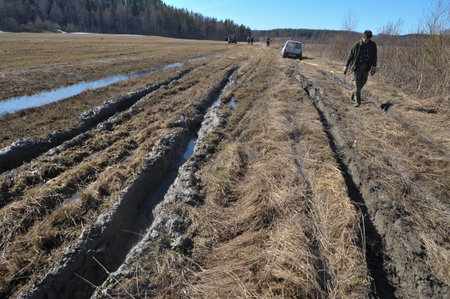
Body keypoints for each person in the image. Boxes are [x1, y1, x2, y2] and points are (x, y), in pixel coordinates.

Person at [343, 30, 377, 107]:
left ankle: (353, 92)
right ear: (362, 37)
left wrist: (374, 66)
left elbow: (374, 56)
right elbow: (350, 56)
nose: (366, 41)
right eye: (365, 39)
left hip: (366, 68)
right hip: (356, 67)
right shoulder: (356, 45)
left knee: (362, 83)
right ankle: (357, 102)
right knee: (357, 86)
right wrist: (346, 66)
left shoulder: (372, 45)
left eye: (368, 39)